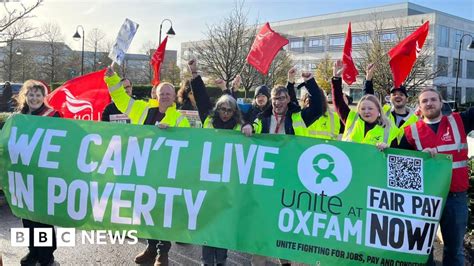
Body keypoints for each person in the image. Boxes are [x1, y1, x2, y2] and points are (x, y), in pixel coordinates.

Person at [104, 67, 190, 266]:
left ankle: (163, 253)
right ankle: (151, 249)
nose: (165, 96)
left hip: (167, 174)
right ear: (156, 95)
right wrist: (112, 79)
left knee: (164, 213)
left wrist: (172, 133)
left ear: (174, 96)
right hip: (143, 171)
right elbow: (120, 98)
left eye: (169, 93)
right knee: (147, 211)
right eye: (162, 93)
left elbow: (188, 144)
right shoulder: (142, 109)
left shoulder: (180, 119)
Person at [242, 68, 323, 266]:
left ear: (288, 99)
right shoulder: (263, 118)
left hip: (290, 176)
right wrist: (249, 127)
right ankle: (258, 260)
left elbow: (319, 107)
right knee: (262, 219)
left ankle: (284, 259)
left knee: (285, 220)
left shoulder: (298, 117)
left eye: (282, 98)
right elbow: (253, 127)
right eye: (274, 98)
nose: (278, 101)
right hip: (267, 176)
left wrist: (310, 81)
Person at [399, 88, 474, 266]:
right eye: (424, 101)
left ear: (441, 103)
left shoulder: (459, 121)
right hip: (423, 200)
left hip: (455, 197)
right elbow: (399, 165)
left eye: (433, 99)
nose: (429, 103)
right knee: (422, 249)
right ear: (419, 106)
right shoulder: (410, 132)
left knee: (454, 250)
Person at [188, 59, 245, 265]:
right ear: (217, 109)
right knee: (208, 221)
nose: (226, 113)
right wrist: (194, 74)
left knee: (223, 223)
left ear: (235, 112)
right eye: (222, 109)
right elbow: (202, 98)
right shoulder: (208, 121)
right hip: (207, 181)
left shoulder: (239, 126)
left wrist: (251, 129)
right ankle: (206, 260)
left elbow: (257, 118)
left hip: (228, 184)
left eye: (230, 110)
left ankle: (221, 260)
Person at [14, 80, 61, 266]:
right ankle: (33, 251)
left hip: (44, 175)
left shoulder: (53, 116)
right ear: (25, 96)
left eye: (38, 95)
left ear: (44, 97)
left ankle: (47, 255)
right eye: (31, 94)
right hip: (24, 175)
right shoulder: (19, 117)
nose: (34, 98)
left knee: (42, 217)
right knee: (27, 216)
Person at [331, 60, 399, 150]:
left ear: (378, 110)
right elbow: (338, 101)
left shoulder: (390, 128)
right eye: (362, 109)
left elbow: (396, 155)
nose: (366, 111)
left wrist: (387, 149)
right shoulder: (351, 118)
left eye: (370, 108)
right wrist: (336, 78)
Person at [363, 63, 418, 142]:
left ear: (407, 99)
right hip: (380, 152)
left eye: (401, 94)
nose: (397, 96)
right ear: (390, 98)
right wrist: (368, 79)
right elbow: (368, 100)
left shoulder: (416, 120)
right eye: (394, 94)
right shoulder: (383, 113)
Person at [289, 68, 341, 140]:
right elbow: (291, 102)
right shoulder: (301, 116)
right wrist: (290, 83)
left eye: (311, 102)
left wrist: (310, 82)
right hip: (303, 150)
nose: (310, 105)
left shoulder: (334, 118)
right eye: (307, 101)